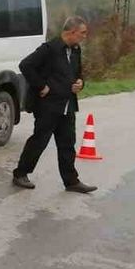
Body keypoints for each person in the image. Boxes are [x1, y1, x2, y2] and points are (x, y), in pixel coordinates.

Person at [12, 16, 97, 193]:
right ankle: (20, 174)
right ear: (71, 32)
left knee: (67, 144)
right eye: (82, 33)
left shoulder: (75, 50)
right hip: (48, 106)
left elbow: (78, 74)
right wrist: (41, 86)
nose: (84, 36)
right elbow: (25, 65)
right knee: (39, 141)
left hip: (68, 105)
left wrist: (80, 83)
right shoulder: (49, 49)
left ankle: (71, 181)